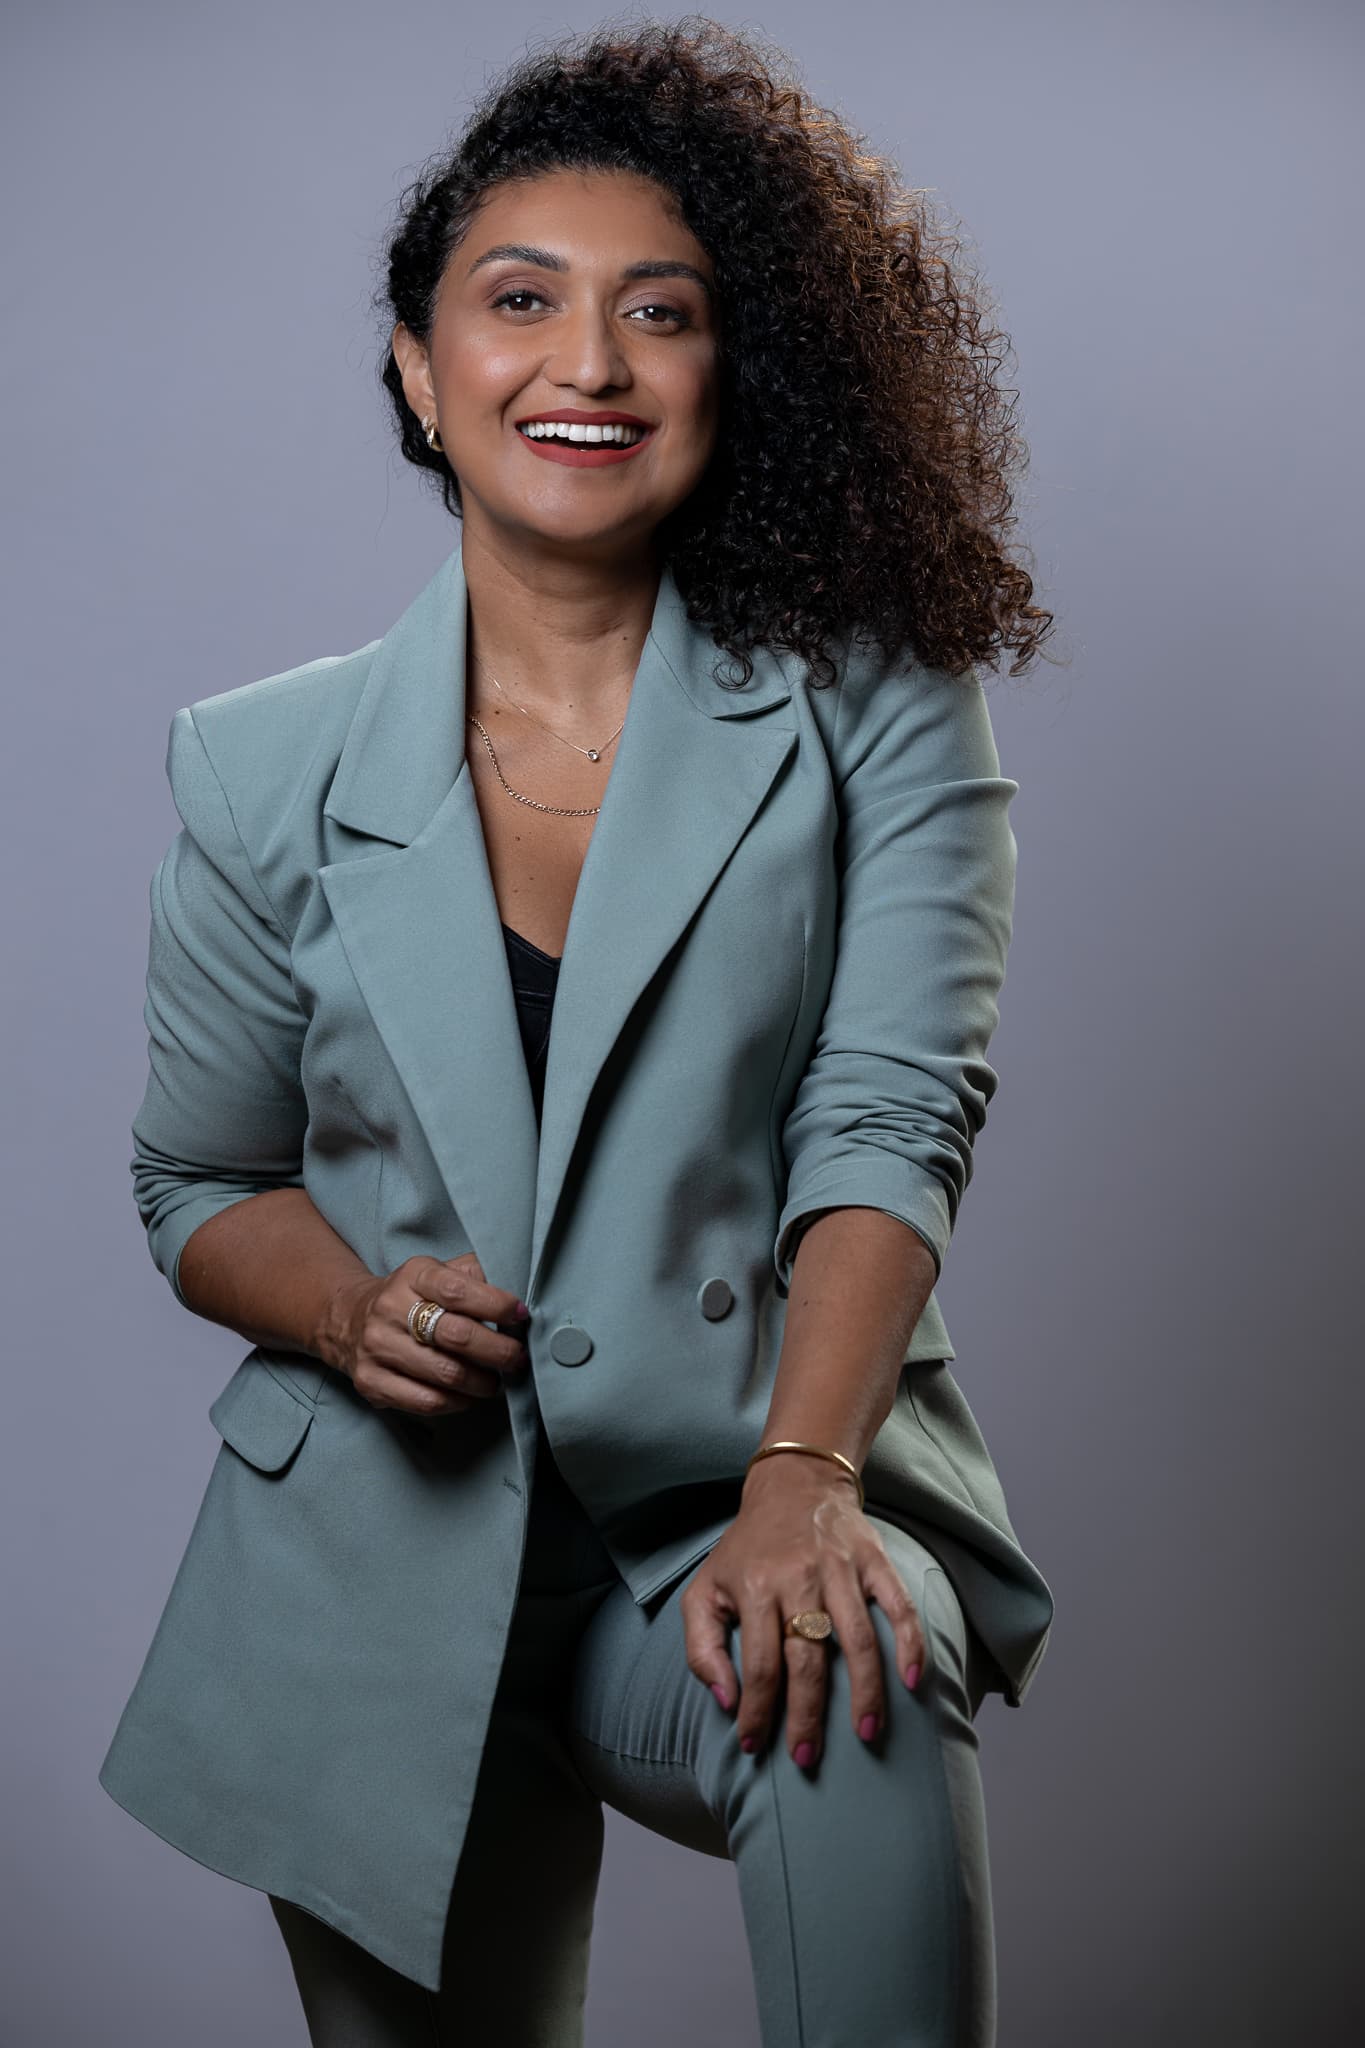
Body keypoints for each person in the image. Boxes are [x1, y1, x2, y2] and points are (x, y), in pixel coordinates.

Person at [98, 18, 1058, 2045]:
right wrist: (348, 1307)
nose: (590, 364)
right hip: (368, 1560)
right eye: (519, 300)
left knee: (857, 1655)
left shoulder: (876, 696)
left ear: (734, 367)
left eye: (661, 311)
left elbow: (892, 1112)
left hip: (727, 1496)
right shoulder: (261, 769)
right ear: (415, 363)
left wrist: (808, 1473)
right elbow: (198, 1178)